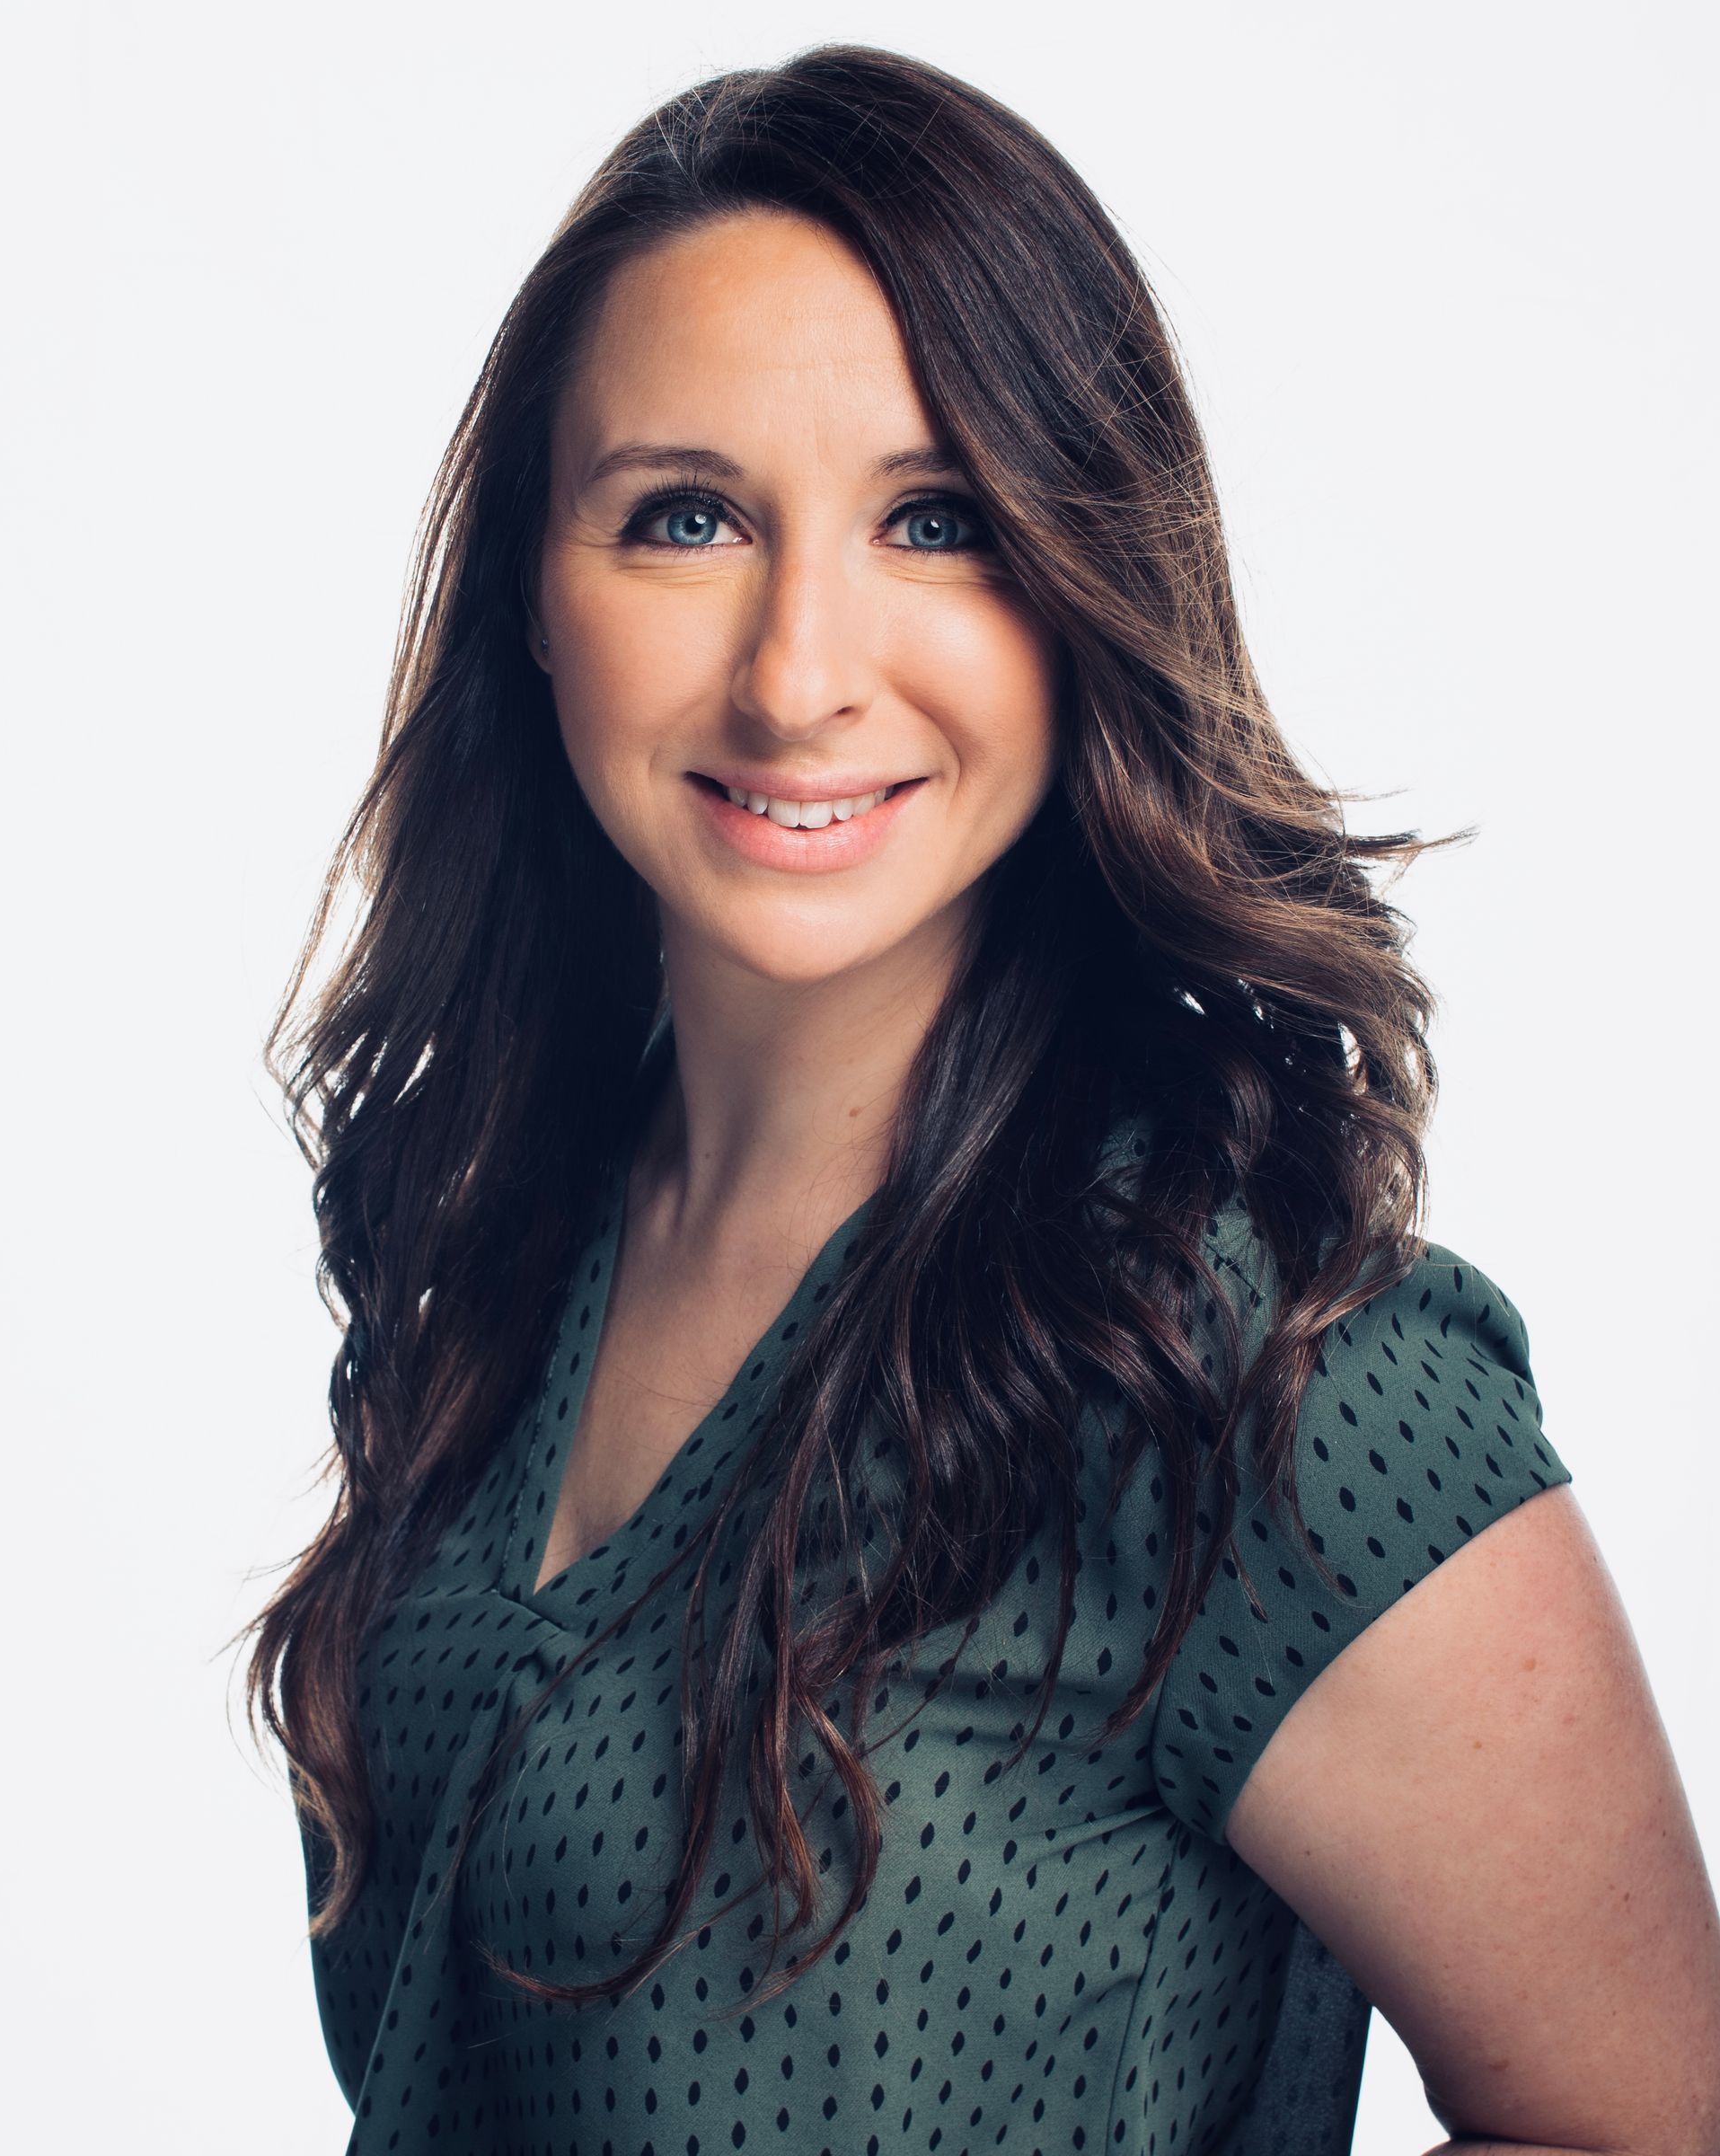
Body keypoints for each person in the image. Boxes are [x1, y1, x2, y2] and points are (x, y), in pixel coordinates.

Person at [243, 43, 1720, 2156]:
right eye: (686, 517)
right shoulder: (506, 1236)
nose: (795, 671)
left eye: (933, 523)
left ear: (1080, 586)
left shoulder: (1276, 1379)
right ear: (531, 604)